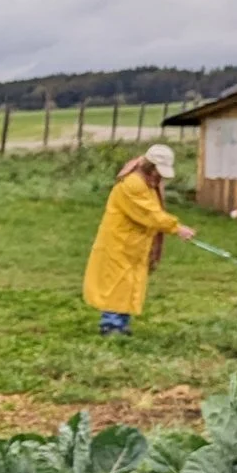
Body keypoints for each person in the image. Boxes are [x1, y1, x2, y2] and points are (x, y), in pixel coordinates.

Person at [82, 143, 193, 336]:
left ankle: (121, 324)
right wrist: (176, 227)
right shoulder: (133, 184)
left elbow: (152, 211)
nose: (160, 176)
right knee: (116, 284)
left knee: (128, 285)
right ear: (150, 166)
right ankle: (111, 325)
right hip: (119, 243)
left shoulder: (147, 182)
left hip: (133, 244)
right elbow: (149, 213)